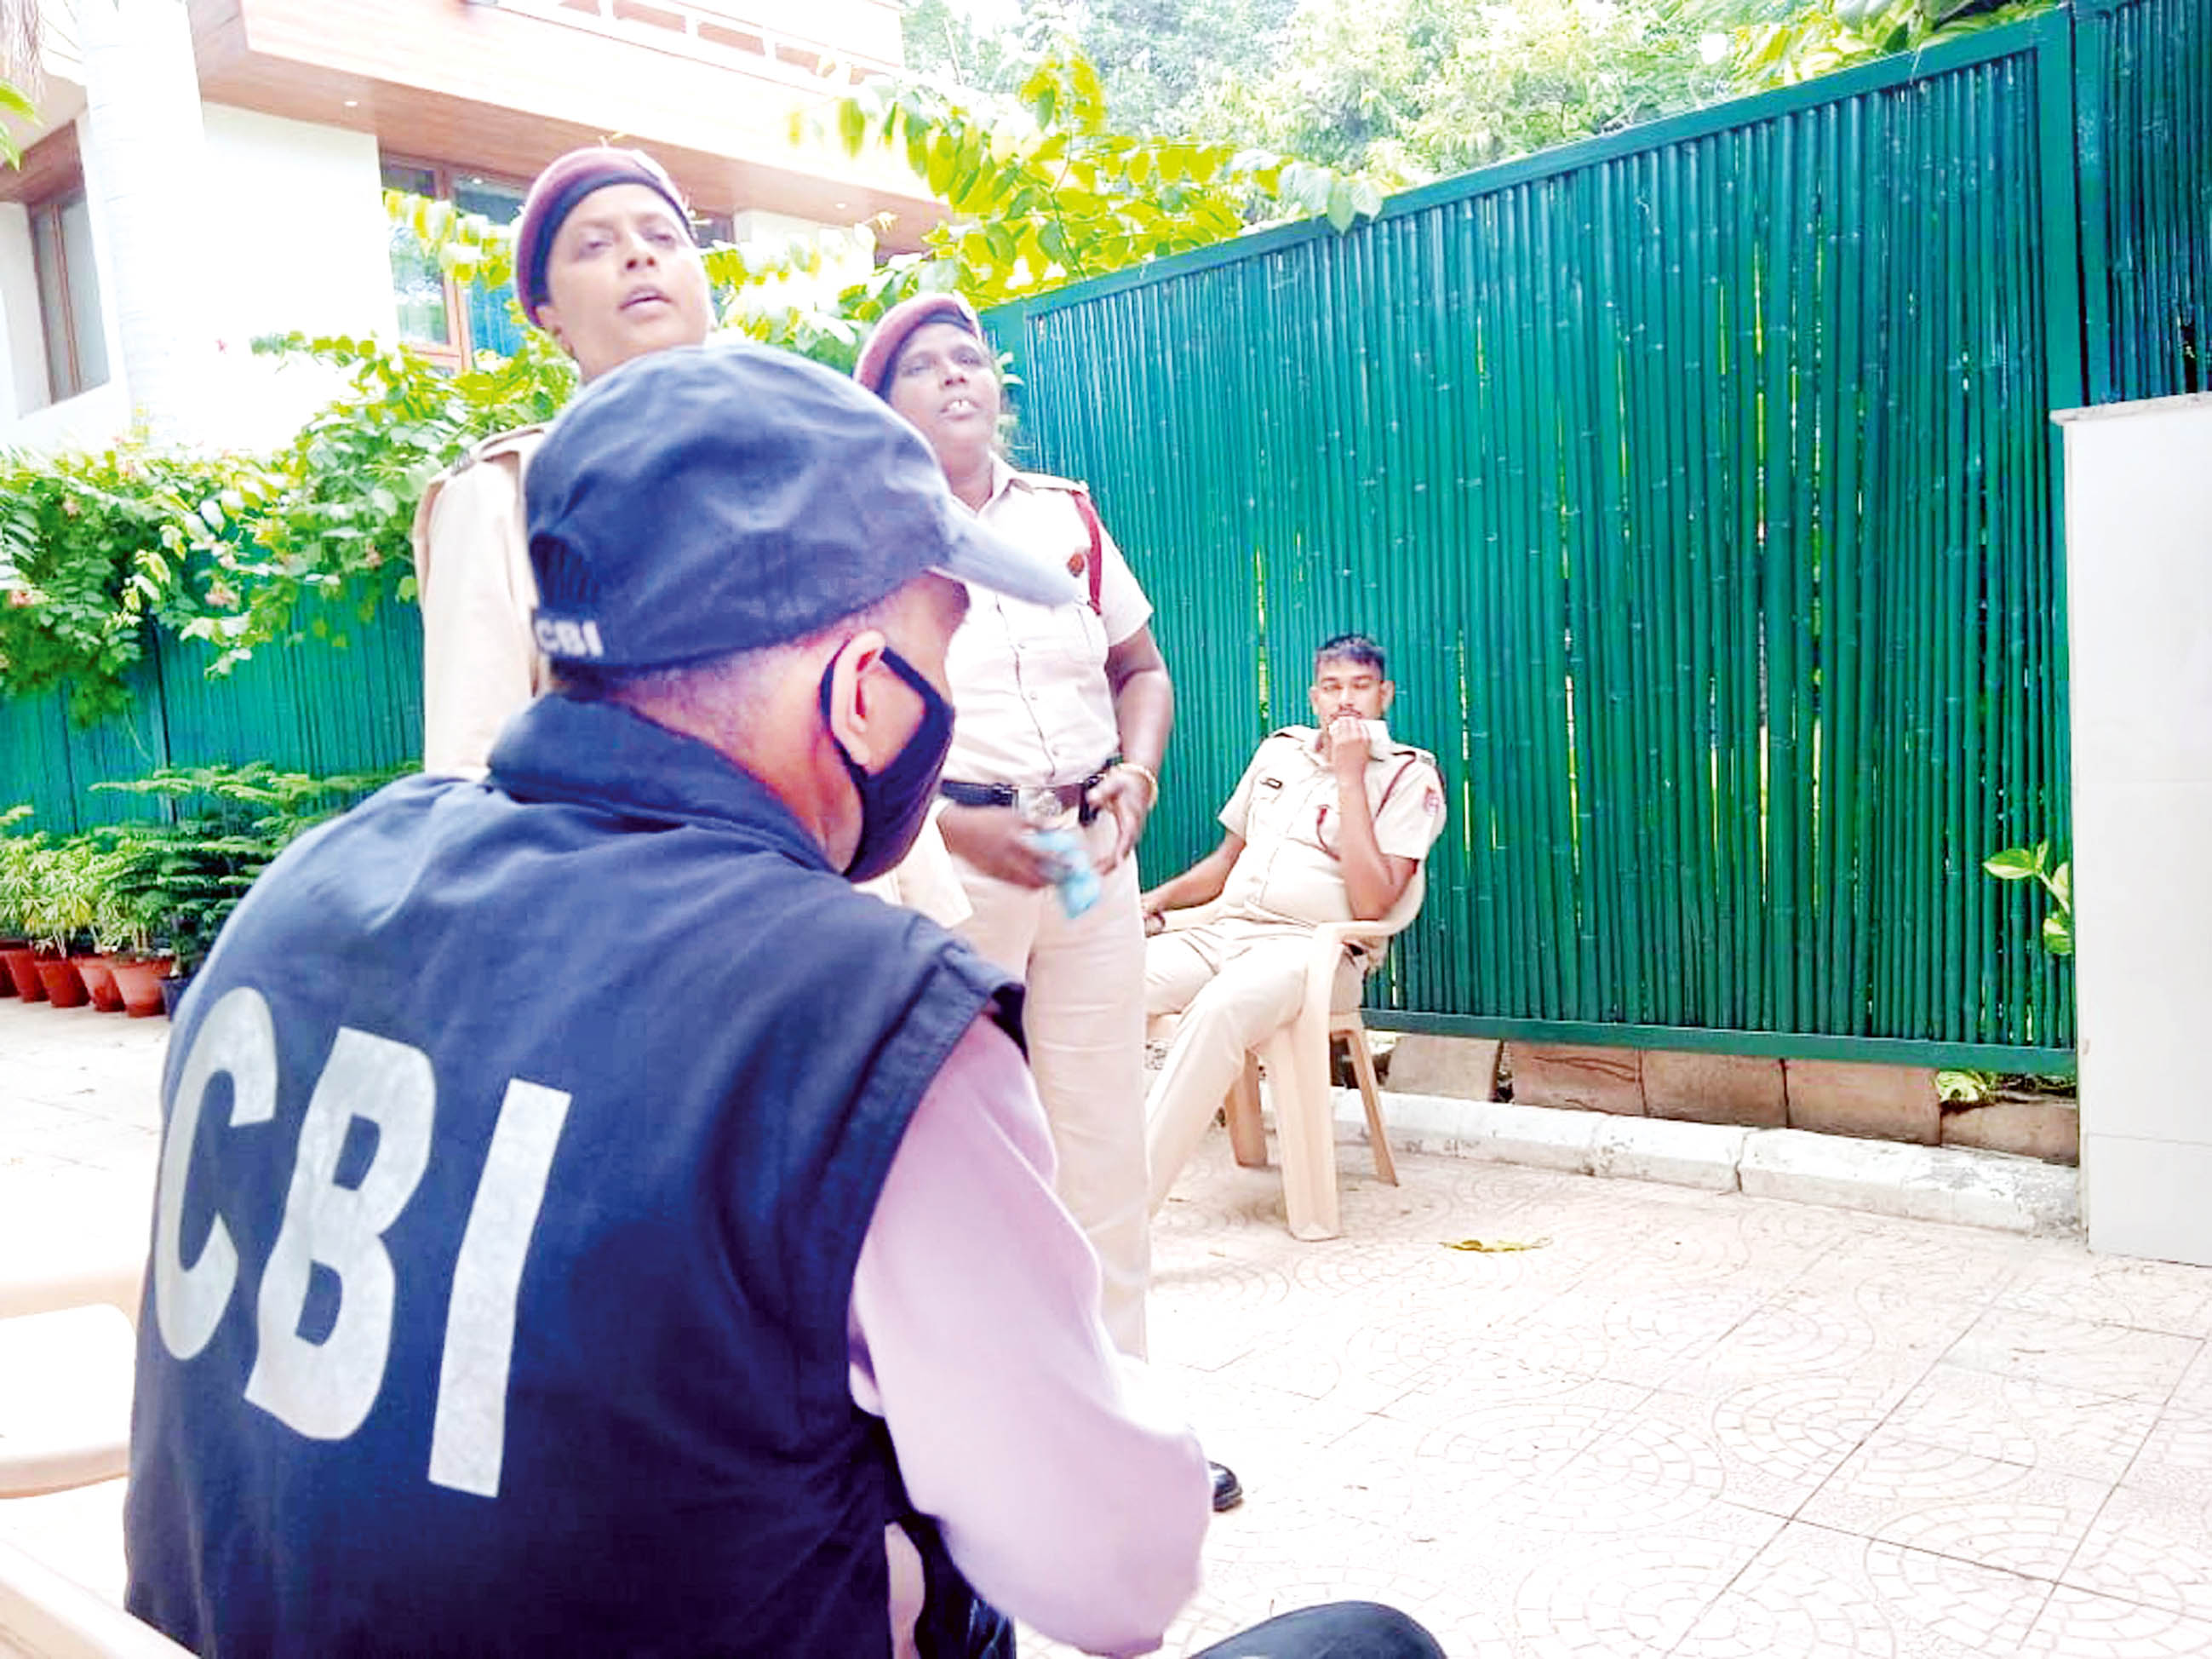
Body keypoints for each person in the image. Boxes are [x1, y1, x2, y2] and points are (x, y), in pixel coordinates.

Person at [123, 343, 1443, 1659]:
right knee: (1367, 1646)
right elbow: (1119, 1581)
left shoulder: (300, 895)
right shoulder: (858, 1029)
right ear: (865, 691)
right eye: (948, 634)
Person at [409, 144, 966, 921]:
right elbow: (472, 770)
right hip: (650, 934)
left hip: (844, 915)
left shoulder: (802, 469)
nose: (638, 256)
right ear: (549, 317)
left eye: (663, 237)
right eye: (595, 246)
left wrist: (916, 906)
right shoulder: (503, 495)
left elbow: (871, 691)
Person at [852, 301, 1172, 1366]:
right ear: (884, 406)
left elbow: (1143, 670)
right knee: (961, 1155)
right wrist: (942, 829)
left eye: (969, 361)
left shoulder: (1066, 517)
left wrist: (1136, 772)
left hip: (1091, 859)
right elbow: (839, 733)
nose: (955, 379)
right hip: (951, 876)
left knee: (1103, 1145)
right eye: (921, 369)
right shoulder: (863, 535)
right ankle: (982, 1433)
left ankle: (1121, 1411)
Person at [1141, 634, 1447, 1210]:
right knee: (1103, 986)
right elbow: (1224, 862)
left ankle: (1124, 1207)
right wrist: (1153, 901)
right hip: (1227, 932)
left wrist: (1352, 779)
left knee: (1220, 1008)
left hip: (1316, 954)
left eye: (1360, 686)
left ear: (1385, 694)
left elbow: (1374, 904)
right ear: (1314, 697)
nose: (1346, 701)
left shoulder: (1410, 777)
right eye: (1332, 687)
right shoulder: (1279, 752)